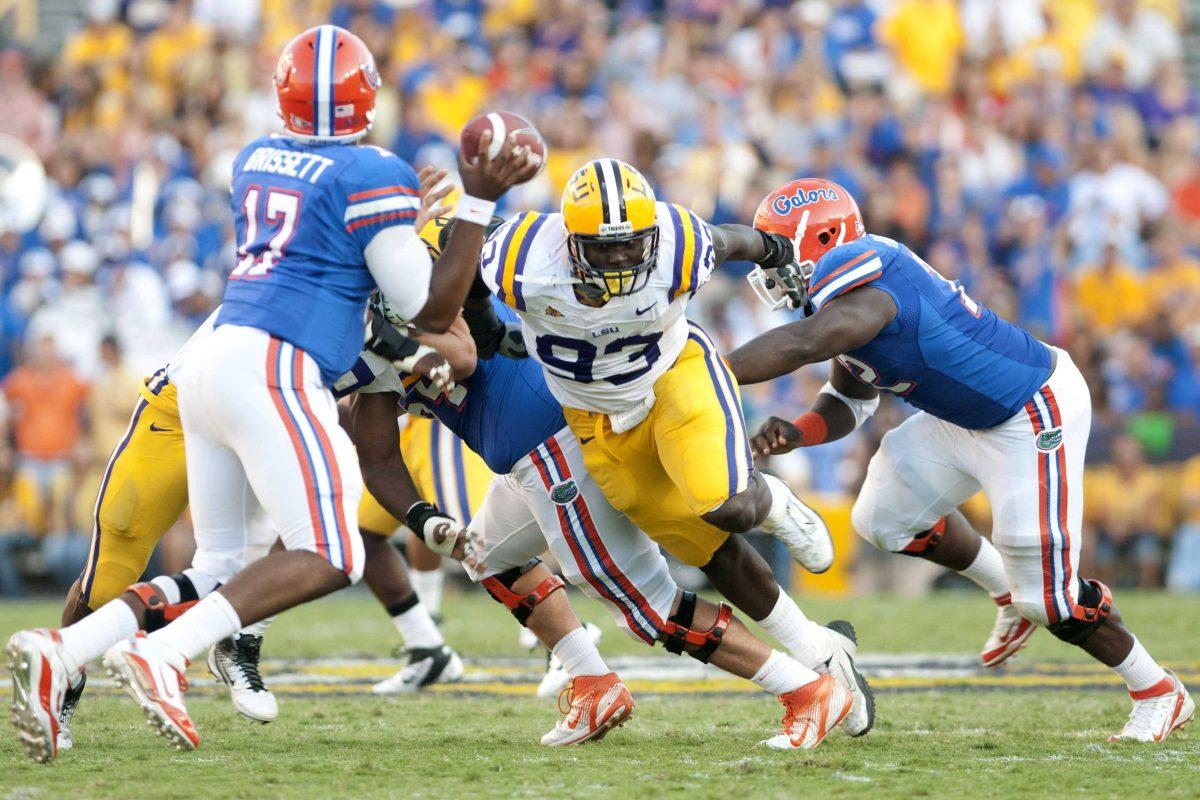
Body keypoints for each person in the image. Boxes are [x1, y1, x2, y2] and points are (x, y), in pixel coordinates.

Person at [5, 25, 538, 763]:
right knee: (334, 552)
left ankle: (64, 649)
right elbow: (433, 315)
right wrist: (476, 202)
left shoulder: (257, 156)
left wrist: (393, 216)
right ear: (367, 98)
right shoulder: (372, 172)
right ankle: (164, 657)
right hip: (276, 367)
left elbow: (322, 241)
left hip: (211, 359)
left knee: (223, 563)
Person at [728, 177, 1193, 743]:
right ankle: (1004, 588)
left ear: (825, 238)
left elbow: (805, 343)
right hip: (967, 417)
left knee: (1051, 599)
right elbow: (852, 398)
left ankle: (1158, 690)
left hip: (1031, 410)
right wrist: (798, 432)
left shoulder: (868, 271)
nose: (772, 265)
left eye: (778, 247)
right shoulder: (847, 305)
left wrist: (709, 371)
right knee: (882, 518)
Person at [342, 277, 872, 749]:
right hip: (532, 456)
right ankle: (592, 683)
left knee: (653, 608)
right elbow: (378, 451)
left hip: (554, 445)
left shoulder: (411, 288)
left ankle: (808, 690)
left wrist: (394, 345)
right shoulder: (361, 326)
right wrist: (421, 517)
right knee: (489, 556)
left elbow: (459, 357)